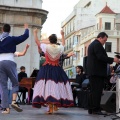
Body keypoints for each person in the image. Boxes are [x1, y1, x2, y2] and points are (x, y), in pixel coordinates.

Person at [32, 28, 74, 114]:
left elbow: (37, 42)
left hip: (47, 68)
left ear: (49, 40)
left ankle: (50, 108)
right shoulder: (60, 48)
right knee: (57, 86)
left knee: (48, 87)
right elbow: (64, 43)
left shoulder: (46, 47)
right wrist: (62, 34)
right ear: (55, 41)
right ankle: (54, 106)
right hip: (57, 68)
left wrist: (35, 33)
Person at [87, 32, 119, 115]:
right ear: (100, 38)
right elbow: (100, 57)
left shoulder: (92, 44)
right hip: (97, 72)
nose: (104, 42)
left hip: (93, 72)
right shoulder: (97, 45)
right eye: (104, 40)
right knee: (97, 91)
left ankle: (91, 108)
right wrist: (112, 60)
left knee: (93, 91)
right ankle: (96, 109)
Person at [0, 23, 29, 114]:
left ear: (2, 30)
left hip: (0, 63)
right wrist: (26, 29)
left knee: (3, 86)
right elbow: (25, 36)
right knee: (15, 83)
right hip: (10, 62)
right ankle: (14, 101)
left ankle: (6, 108)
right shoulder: (11, 39)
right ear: (9, 30)